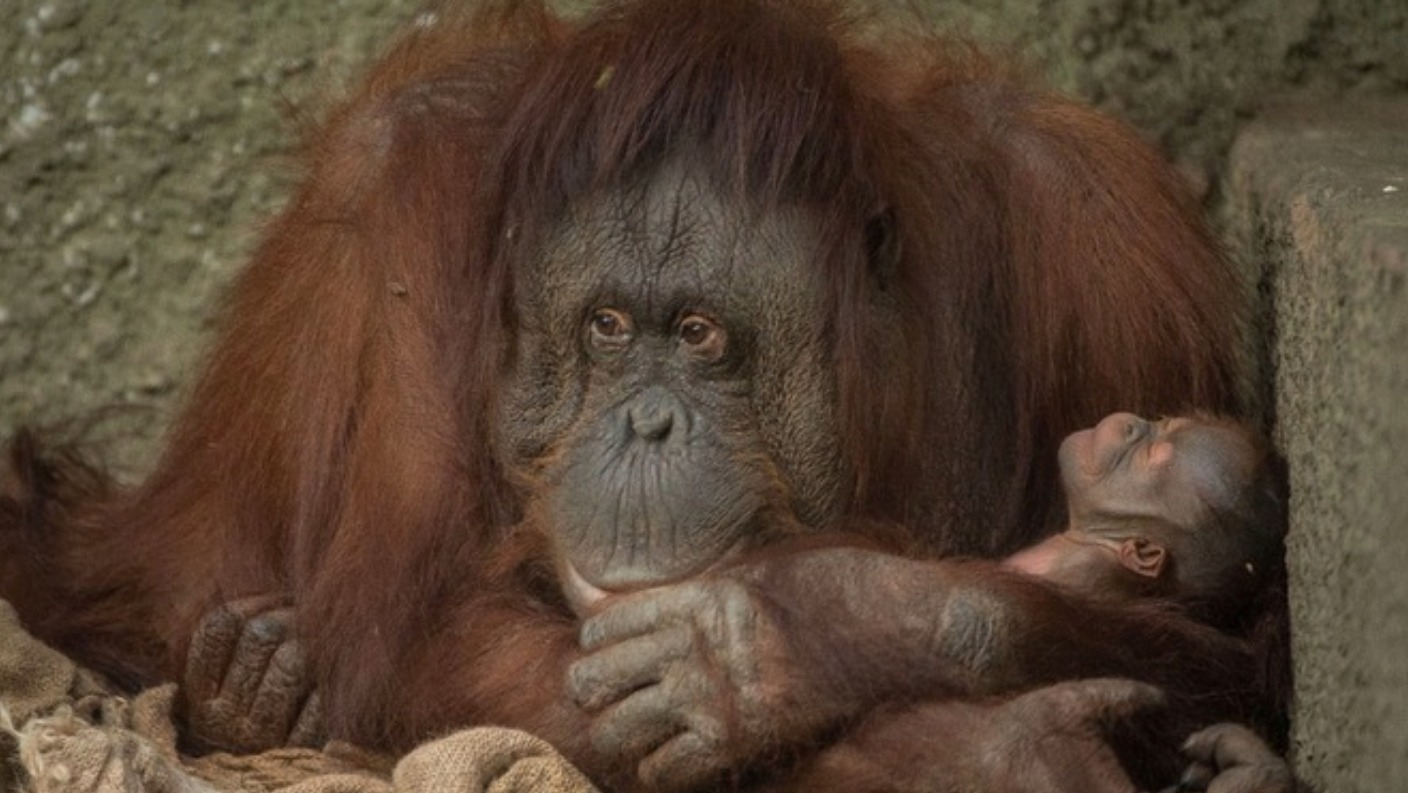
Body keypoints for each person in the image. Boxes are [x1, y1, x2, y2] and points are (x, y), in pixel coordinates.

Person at [1004, 412, 1285, 631]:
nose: (1133, 424)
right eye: (1159, 423)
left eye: (1145, 453)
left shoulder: (1070, 583)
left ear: (1143, 553)